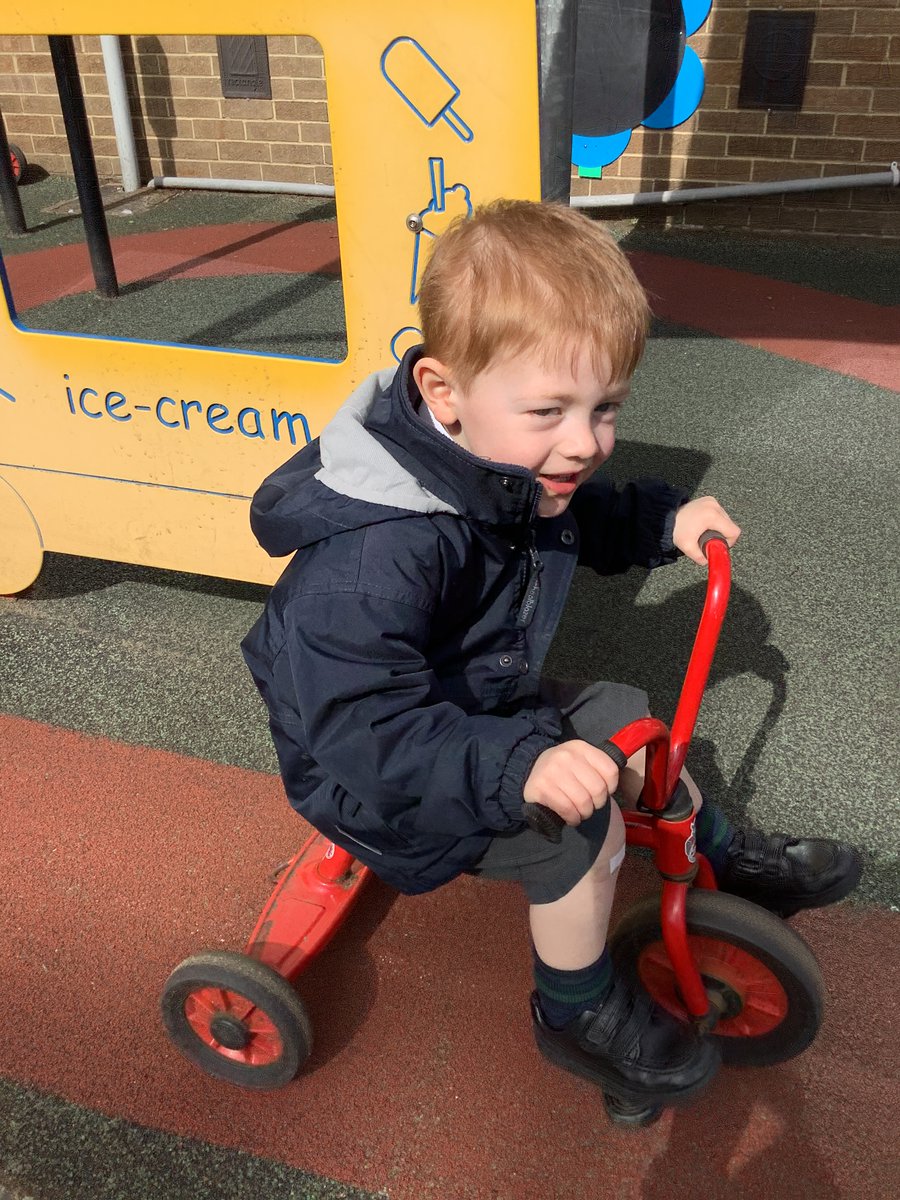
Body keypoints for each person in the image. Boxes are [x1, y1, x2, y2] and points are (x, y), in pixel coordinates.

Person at [241, 200, 861, 1109]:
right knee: (580, 839)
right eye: (551, 411)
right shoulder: (375, 561)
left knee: (627, 718)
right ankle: (574, 1011)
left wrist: (662, 520)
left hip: (475, 705)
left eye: (605, 407)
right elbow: (361, 731)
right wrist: (521, 764)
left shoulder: (503, 460)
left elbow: (575, 511)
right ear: (445, 394)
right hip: (381, 771)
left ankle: (720, 852)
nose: (584, 441)